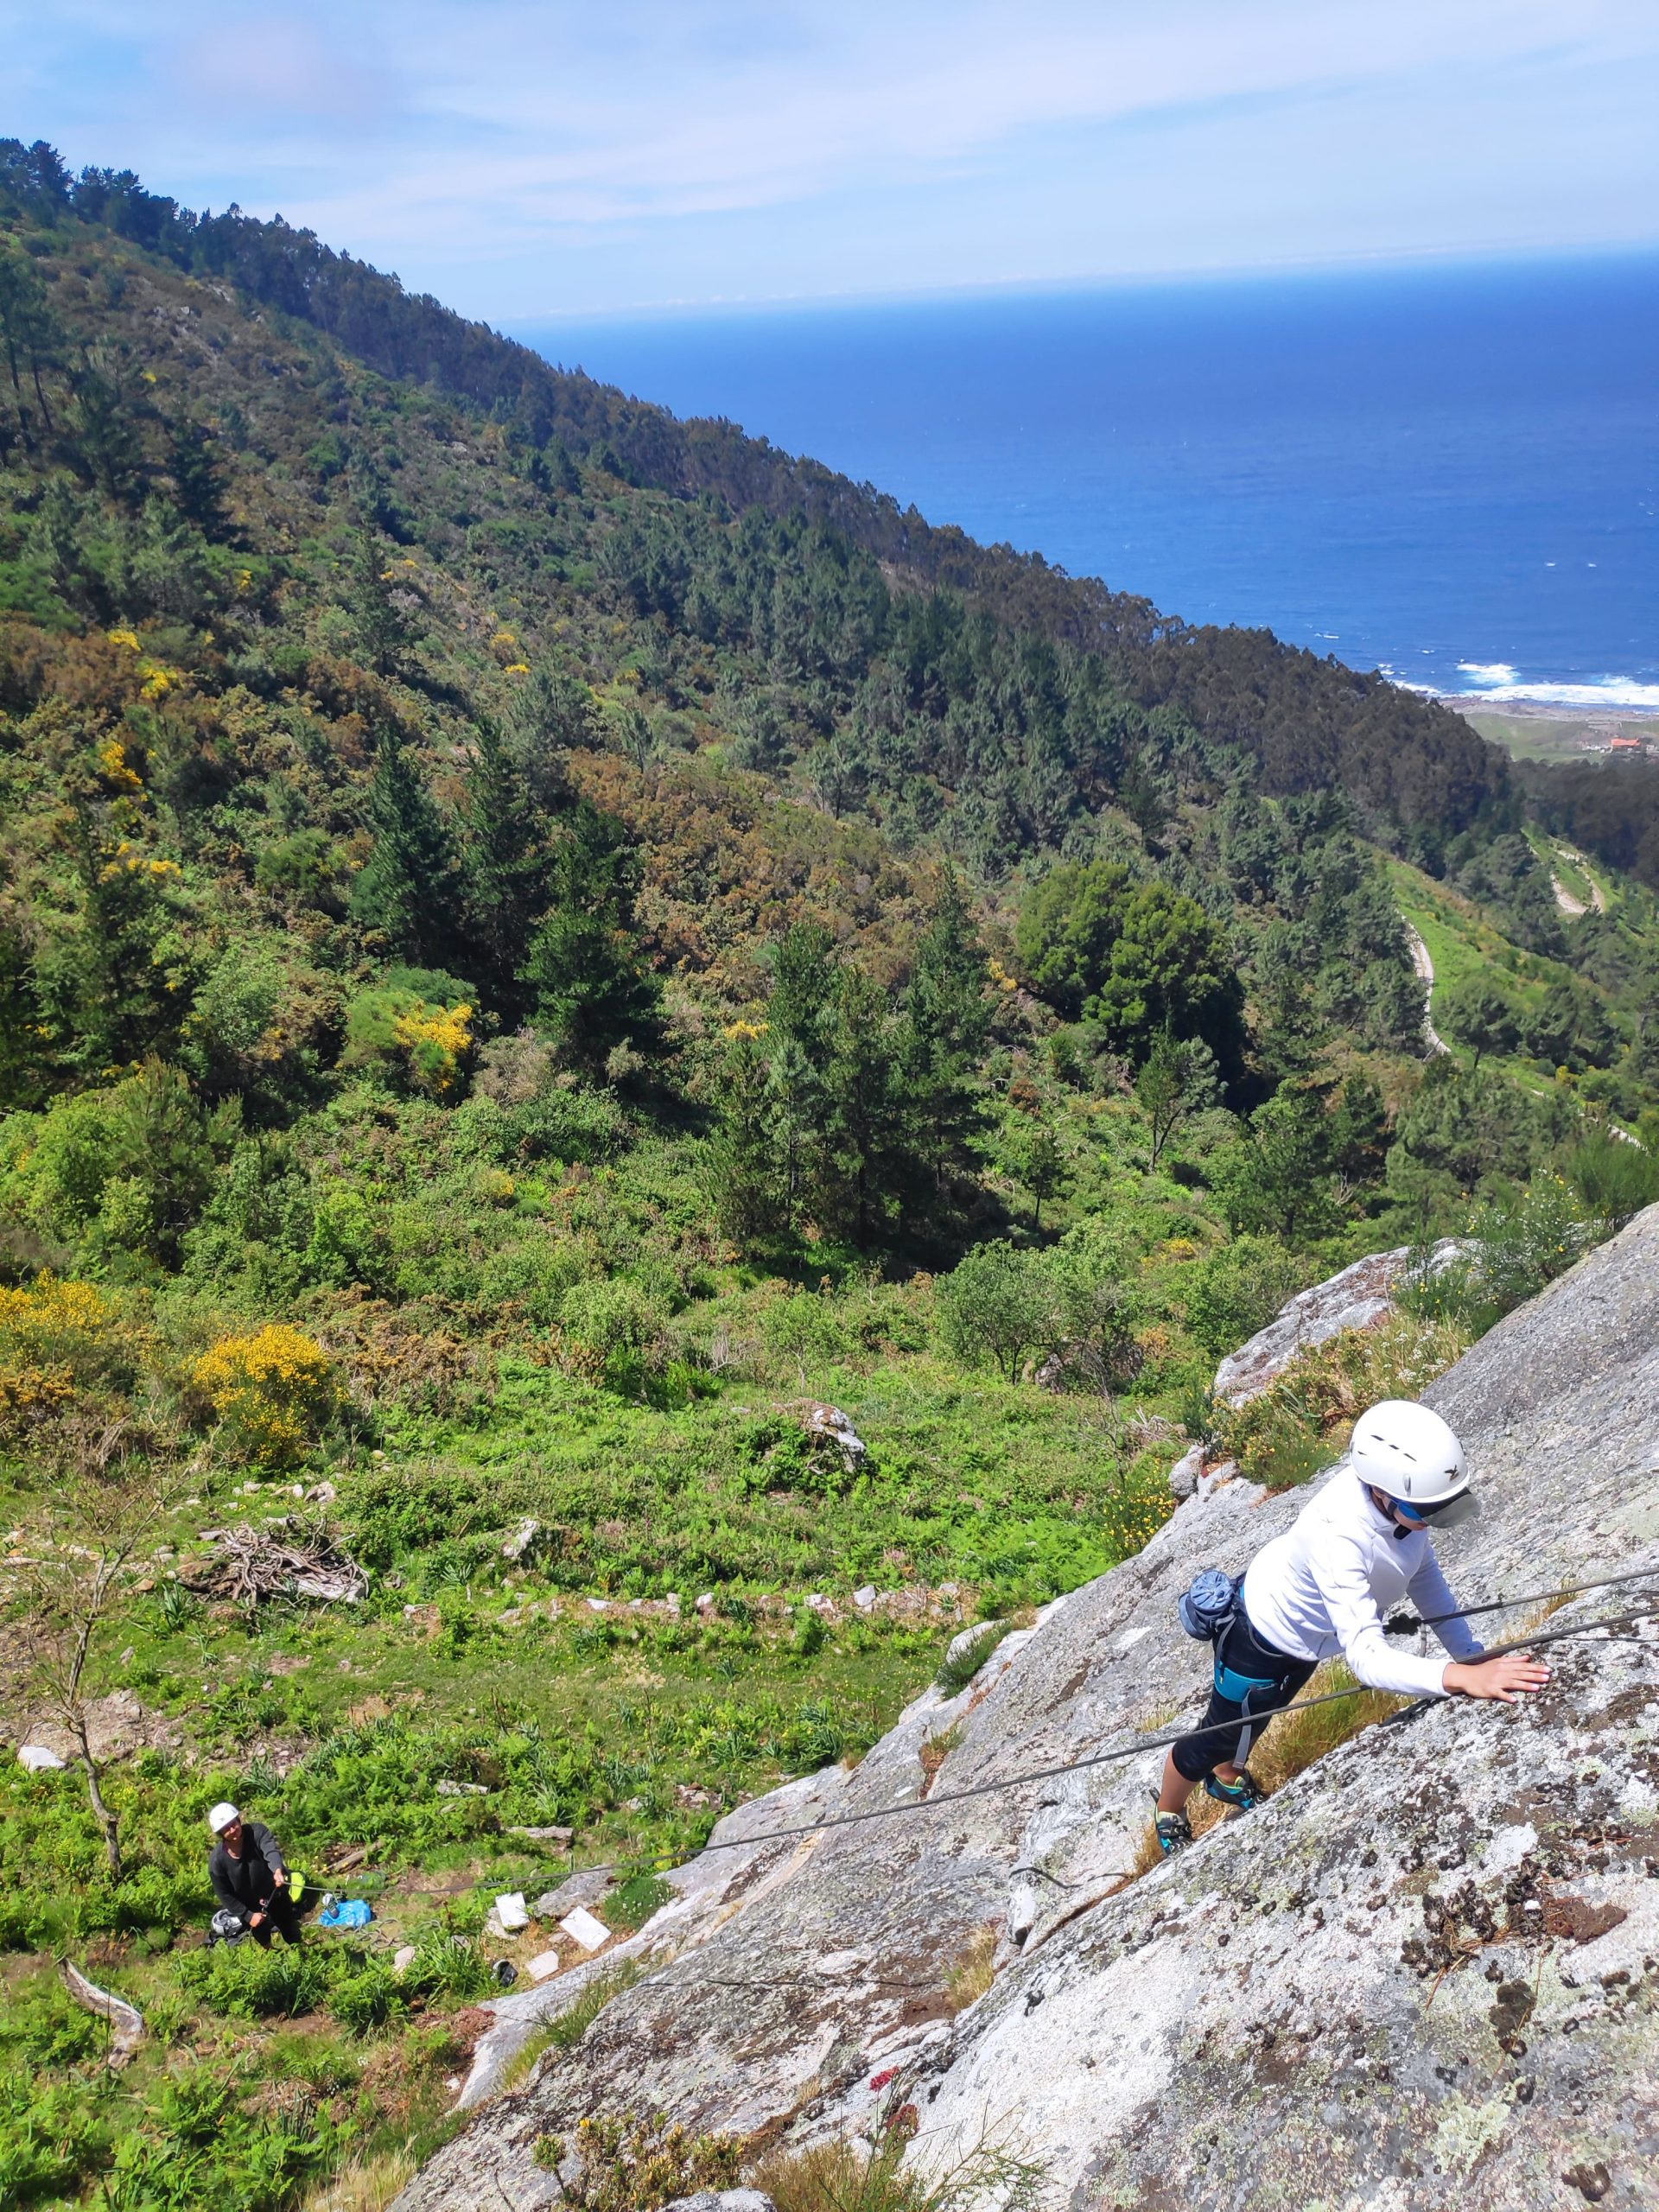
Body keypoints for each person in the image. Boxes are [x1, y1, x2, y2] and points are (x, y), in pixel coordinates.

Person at [1154, 1399, 1550, 1855]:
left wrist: (1469, 1654)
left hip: (1306, 1642)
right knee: (1215, 1734)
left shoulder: (1403, 1508)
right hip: (1259, 1637)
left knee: (1258, 1717)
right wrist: (1458, 1676)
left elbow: (1423, 1575)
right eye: (1427, 1511)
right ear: (1381, 1492)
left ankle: (1226, 1778)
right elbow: (1366, 1659)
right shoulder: (1339, 1535)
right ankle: (1170, 1809)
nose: (1432, 1523)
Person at [207, 1802, 302, 1943]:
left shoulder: (257, 1832)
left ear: (239, 1820)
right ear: (220, 1833)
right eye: (226, 1829)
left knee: (288, 1925)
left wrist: (277, 1870)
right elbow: (224, 1894)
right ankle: (269, 1951)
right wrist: (247, 1915)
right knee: (261, 1931)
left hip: (273, 1891)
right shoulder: (217, 1862)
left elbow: (270, 1850)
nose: (232, 1830)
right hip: (248, 1904)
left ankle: (299, 1951)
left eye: (233, 1824)